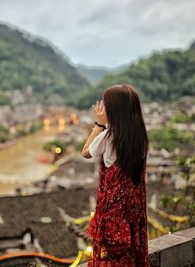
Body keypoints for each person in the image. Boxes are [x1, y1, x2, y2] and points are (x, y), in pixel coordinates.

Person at [82, 84, 150, 266]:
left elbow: (85, 152)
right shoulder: (140, 138)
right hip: (131, 213)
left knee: (111, 259)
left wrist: (98, 124)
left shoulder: (107, 137)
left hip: (113, 213)